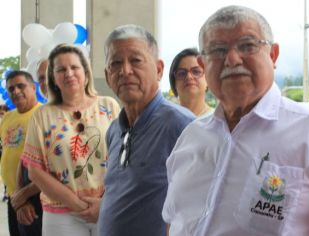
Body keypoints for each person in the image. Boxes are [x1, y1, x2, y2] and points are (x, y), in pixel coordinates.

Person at [162, 5, 309, 236]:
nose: (231, 58)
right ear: (203, 64)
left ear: (273, 55)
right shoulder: (190, 138)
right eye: (217, 50)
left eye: (247, 45)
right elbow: (173, 221)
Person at [98, 24, 195, 236]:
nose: (125, 70)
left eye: (135, 60)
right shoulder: (114, 129)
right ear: (107, 76)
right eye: (115, 63)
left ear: (159, 69)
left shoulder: (183, 125)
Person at [21, 44, 120, 236]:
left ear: (86, 72)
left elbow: (122, 157)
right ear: (53, 78)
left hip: (107, 207)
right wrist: (77, 205)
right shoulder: (42, 116)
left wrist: (104, 203)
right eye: (61, 69)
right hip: (61, 215)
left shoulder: (109, 106)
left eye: (74, 67)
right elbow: (35, 171)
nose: (69, 73)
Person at [0, 70, 42, 236]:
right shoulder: (8, 117)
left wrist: (24, 196)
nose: (15, 91)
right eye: (11, 89)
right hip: (13, 196)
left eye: (20, 86)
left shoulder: (43, 114)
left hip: (35, 198)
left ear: (33, 87)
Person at [169, 48, 213, 116]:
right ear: (174, 83)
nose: (189, 77)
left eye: (196, 71)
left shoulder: (218, 120)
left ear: (208, 78)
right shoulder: (166, 120)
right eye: (182, 73)